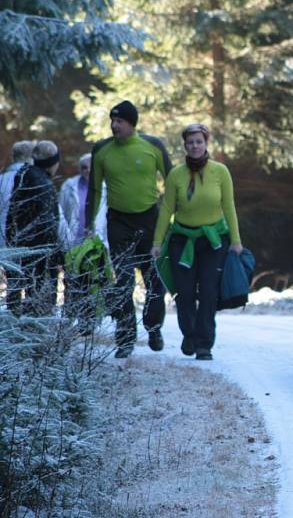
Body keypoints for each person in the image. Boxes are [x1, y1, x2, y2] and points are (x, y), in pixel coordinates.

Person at [86, 100, 172, 358]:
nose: (114, 125)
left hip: (150, 220)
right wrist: (89, 225)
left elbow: (173, 181)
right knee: (122, 282)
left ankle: (153, 327)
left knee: (155, 280)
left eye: (120, 121)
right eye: (112, 121)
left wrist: (174, 218)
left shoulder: (153, 146)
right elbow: (93, 189)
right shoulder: (101, 150)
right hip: (118, 222)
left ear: (131, 123)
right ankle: (124, 339)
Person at [151, 123, 243, 361]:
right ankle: (189, 334)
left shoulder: (220, 171)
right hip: (182, 240)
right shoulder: (176, 174)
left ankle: (204, 344)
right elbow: (167, 209)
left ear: (206, 144)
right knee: (185, 292)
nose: (194, 146)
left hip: (213, 241)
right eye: (190, 142)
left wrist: (236, 240)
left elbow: (229, 206)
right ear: (185, 145)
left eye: (199, 141)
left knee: (210, 292)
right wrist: (157, 242)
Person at [5, 141, 61, 316]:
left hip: (21, 243)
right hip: (40, 249)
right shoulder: (43, 182)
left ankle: (20, 327)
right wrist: (55, 250)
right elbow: (47, 219)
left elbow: (12, 213)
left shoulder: (23, 175)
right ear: (52, 162)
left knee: (21, 289)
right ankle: (36, 333)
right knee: (38, 294)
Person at [60, 153, 107, 248]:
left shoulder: (106, 188)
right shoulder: (68, 186)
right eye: (84, 167)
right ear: (80, 169)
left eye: (91, 167)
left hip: (98, 242)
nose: (88, 170)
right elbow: (61, 213)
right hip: (73, 241)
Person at [0, 140, 34, 248]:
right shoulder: (37, 182)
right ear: (32, 158)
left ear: (13, 157)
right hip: (29, 246)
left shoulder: (1, 180)